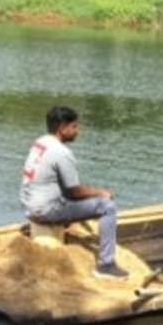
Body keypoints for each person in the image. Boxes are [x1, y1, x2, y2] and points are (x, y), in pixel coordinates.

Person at [20, 106, 128, 280]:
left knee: (65, 194)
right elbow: (74, 192)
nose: (78, 131)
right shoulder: (62, 153)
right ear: (62, 128)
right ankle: (106, 266)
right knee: (108, 207)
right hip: (46, 210)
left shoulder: (40, 143)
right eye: (74, 127)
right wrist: (101, 193)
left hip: (29, 207)